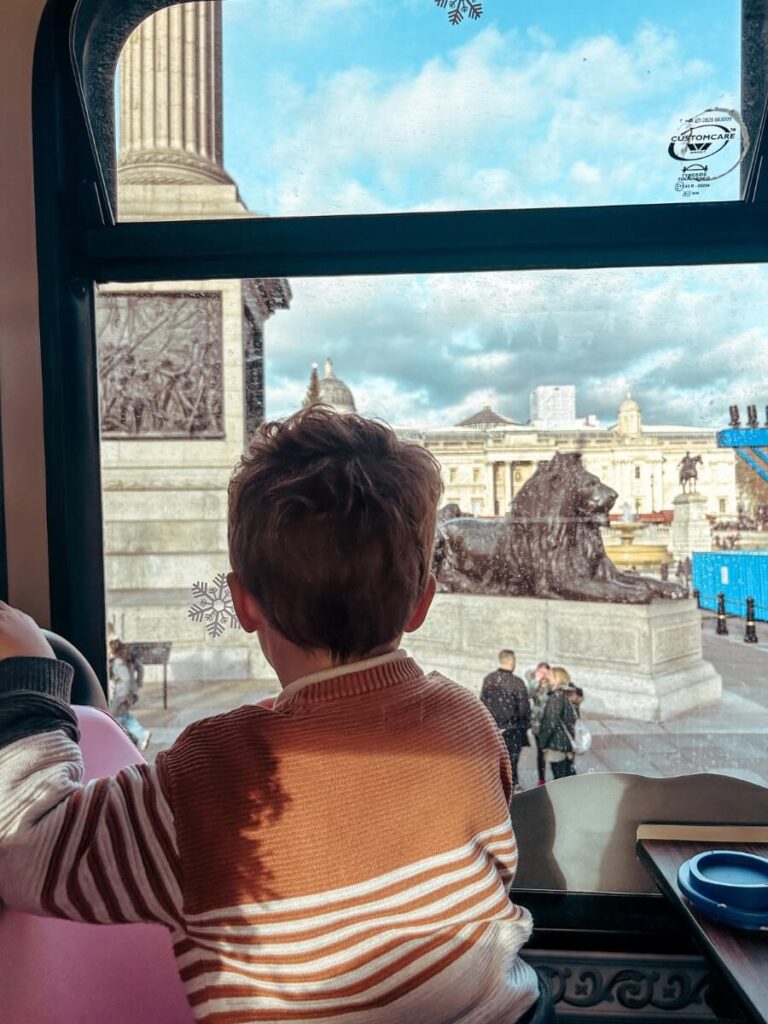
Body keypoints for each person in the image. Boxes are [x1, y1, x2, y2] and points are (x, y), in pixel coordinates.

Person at [0, 407, 552, 1024]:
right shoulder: (466, 722)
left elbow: (25, 850)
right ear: (421, 602)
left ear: (242, 604)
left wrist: (25, 679)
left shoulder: (210, 779)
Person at [480, 649, 531, 795]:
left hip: (493, 727)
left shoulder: (489, 679)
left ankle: (493, 788)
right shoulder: (517, 682)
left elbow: (483, 702)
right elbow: (524, 709)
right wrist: (525, 726)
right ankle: (512, 786)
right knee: (511, 760)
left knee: (494, 759)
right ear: (512, 661)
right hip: (512, 729)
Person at [108, 637, 151, 752]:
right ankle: (137, 736)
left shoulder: (118, 662)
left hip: (122, 693)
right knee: (123, 715)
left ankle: (137, 735)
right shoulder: (128, 658)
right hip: (130, 691)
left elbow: (126, 678)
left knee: (113, 715)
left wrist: (124, 694)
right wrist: (138, 684)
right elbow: (140, 668)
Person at [537, 665, 578, 781]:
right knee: (569, 775)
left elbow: (550, 723)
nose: (547, 678)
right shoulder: (567, 694)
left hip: (557, 744)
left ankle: (565, 798)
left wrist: (542, 743)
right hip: (566, 743)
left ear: (557, 678)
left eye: (550, 675)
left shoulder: (556, 697)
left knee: (560, 778)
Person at [527, 662, 551, 786]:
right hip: (538, 725)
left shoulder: (552, 685)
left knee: (552, 752)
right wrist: (536, 680)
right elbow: (527, 695)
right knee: (540, 753)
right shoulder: (535, 684)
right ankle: (541, 779)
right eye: (540, 671)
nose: (543, 674)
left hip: (551, 725)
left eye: (545, 671)